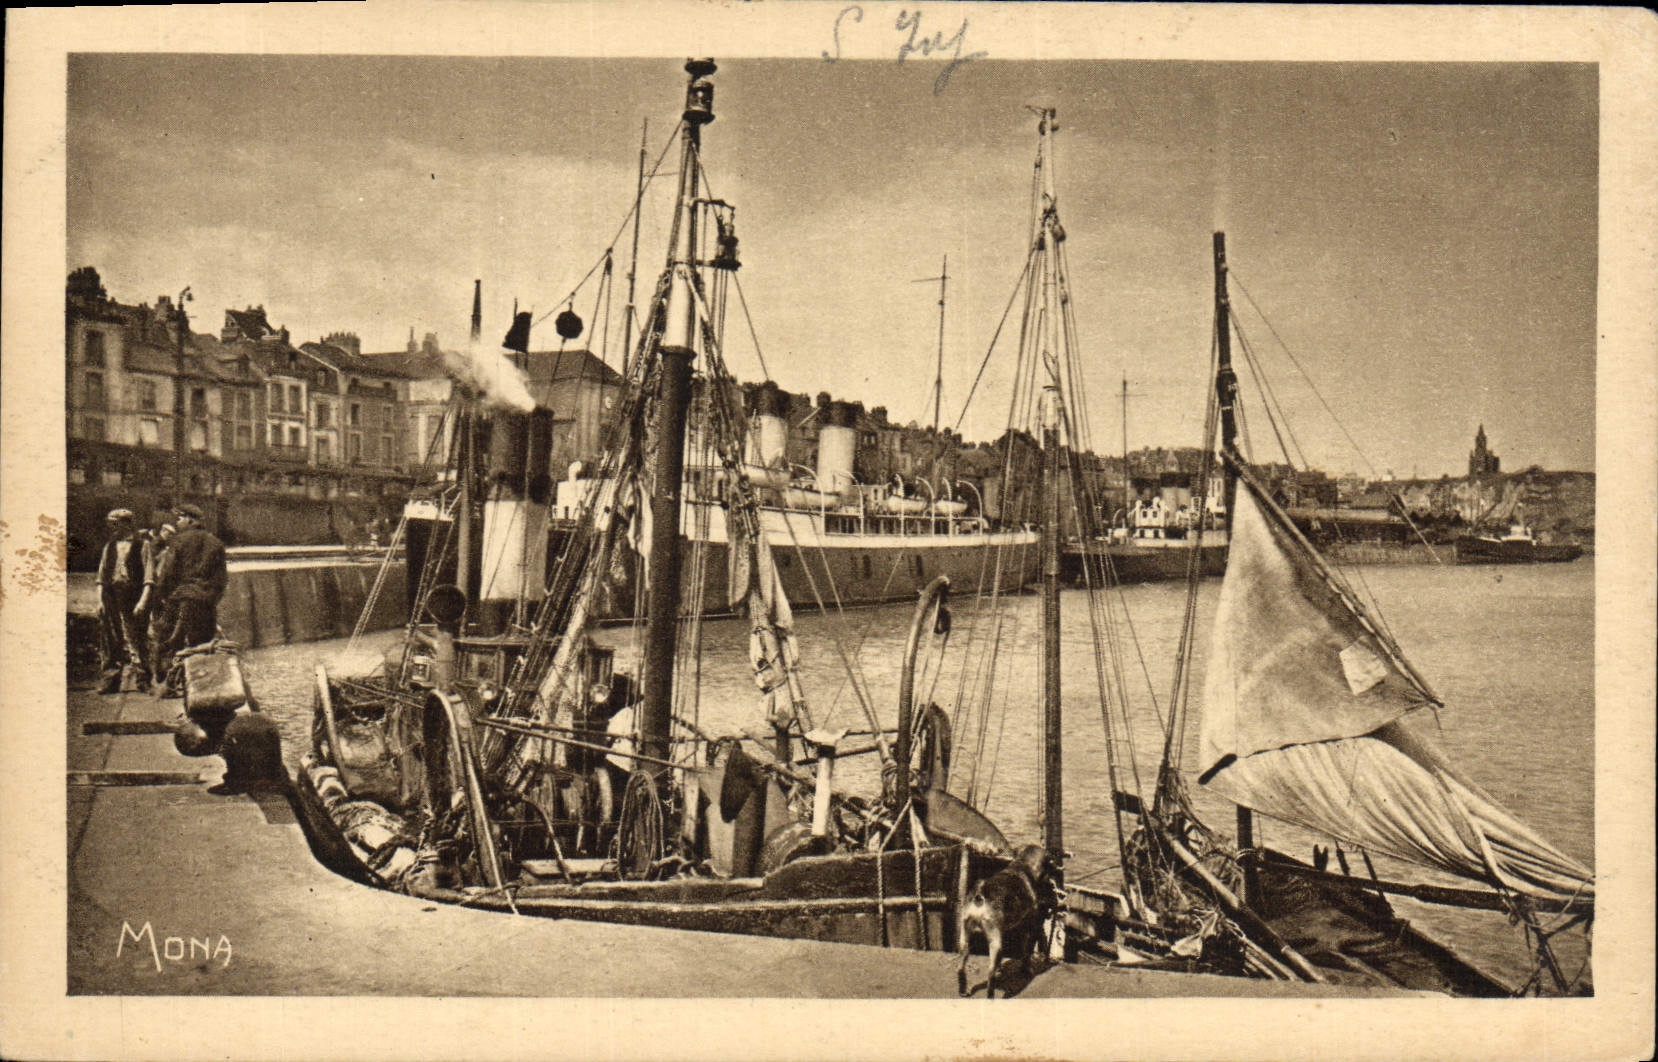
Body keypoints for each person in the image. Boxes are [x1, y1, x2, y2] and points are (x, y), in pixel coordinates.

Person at [154, 503, 227, 697]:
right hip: (204, 603)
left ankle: (171, 686)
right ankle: (200, 691)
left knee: (170, 643)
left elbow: (167, 575)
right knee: (201, 646)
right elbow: (221, 580)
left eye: (179, 519)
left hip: (179, 599)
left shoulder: (178, 542)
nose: (177, 523)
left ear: (190, 520)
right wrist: (210, 600)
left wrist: (163, 597)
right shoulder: (216, 543)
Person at [94, 509, 150, 693]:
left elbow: (149, 578)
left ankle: (143, 678)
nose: (112, 528)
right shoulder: (109, 546)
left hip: (132, 595)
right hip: (111, 595)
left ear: (127, 524)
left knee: (137, 636)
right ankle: (111, 679)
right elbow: (101, 577)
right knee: (111, 638)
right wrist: (100, 600)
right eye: (111, 524)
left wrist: (142, 601)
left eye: (116, 523)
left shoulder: (143, 545)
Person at [139, 522, 176, 684]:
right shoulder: (156, 545)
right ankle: (160, 671)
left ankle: (159, 671)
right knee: (159, 630)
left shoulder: (162, 545)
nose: (170, 536)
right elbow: (153, 568)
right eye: (168, 533)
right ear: (163, 531)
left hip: (159, 591)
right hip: (157, 591)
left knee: (159, 629)